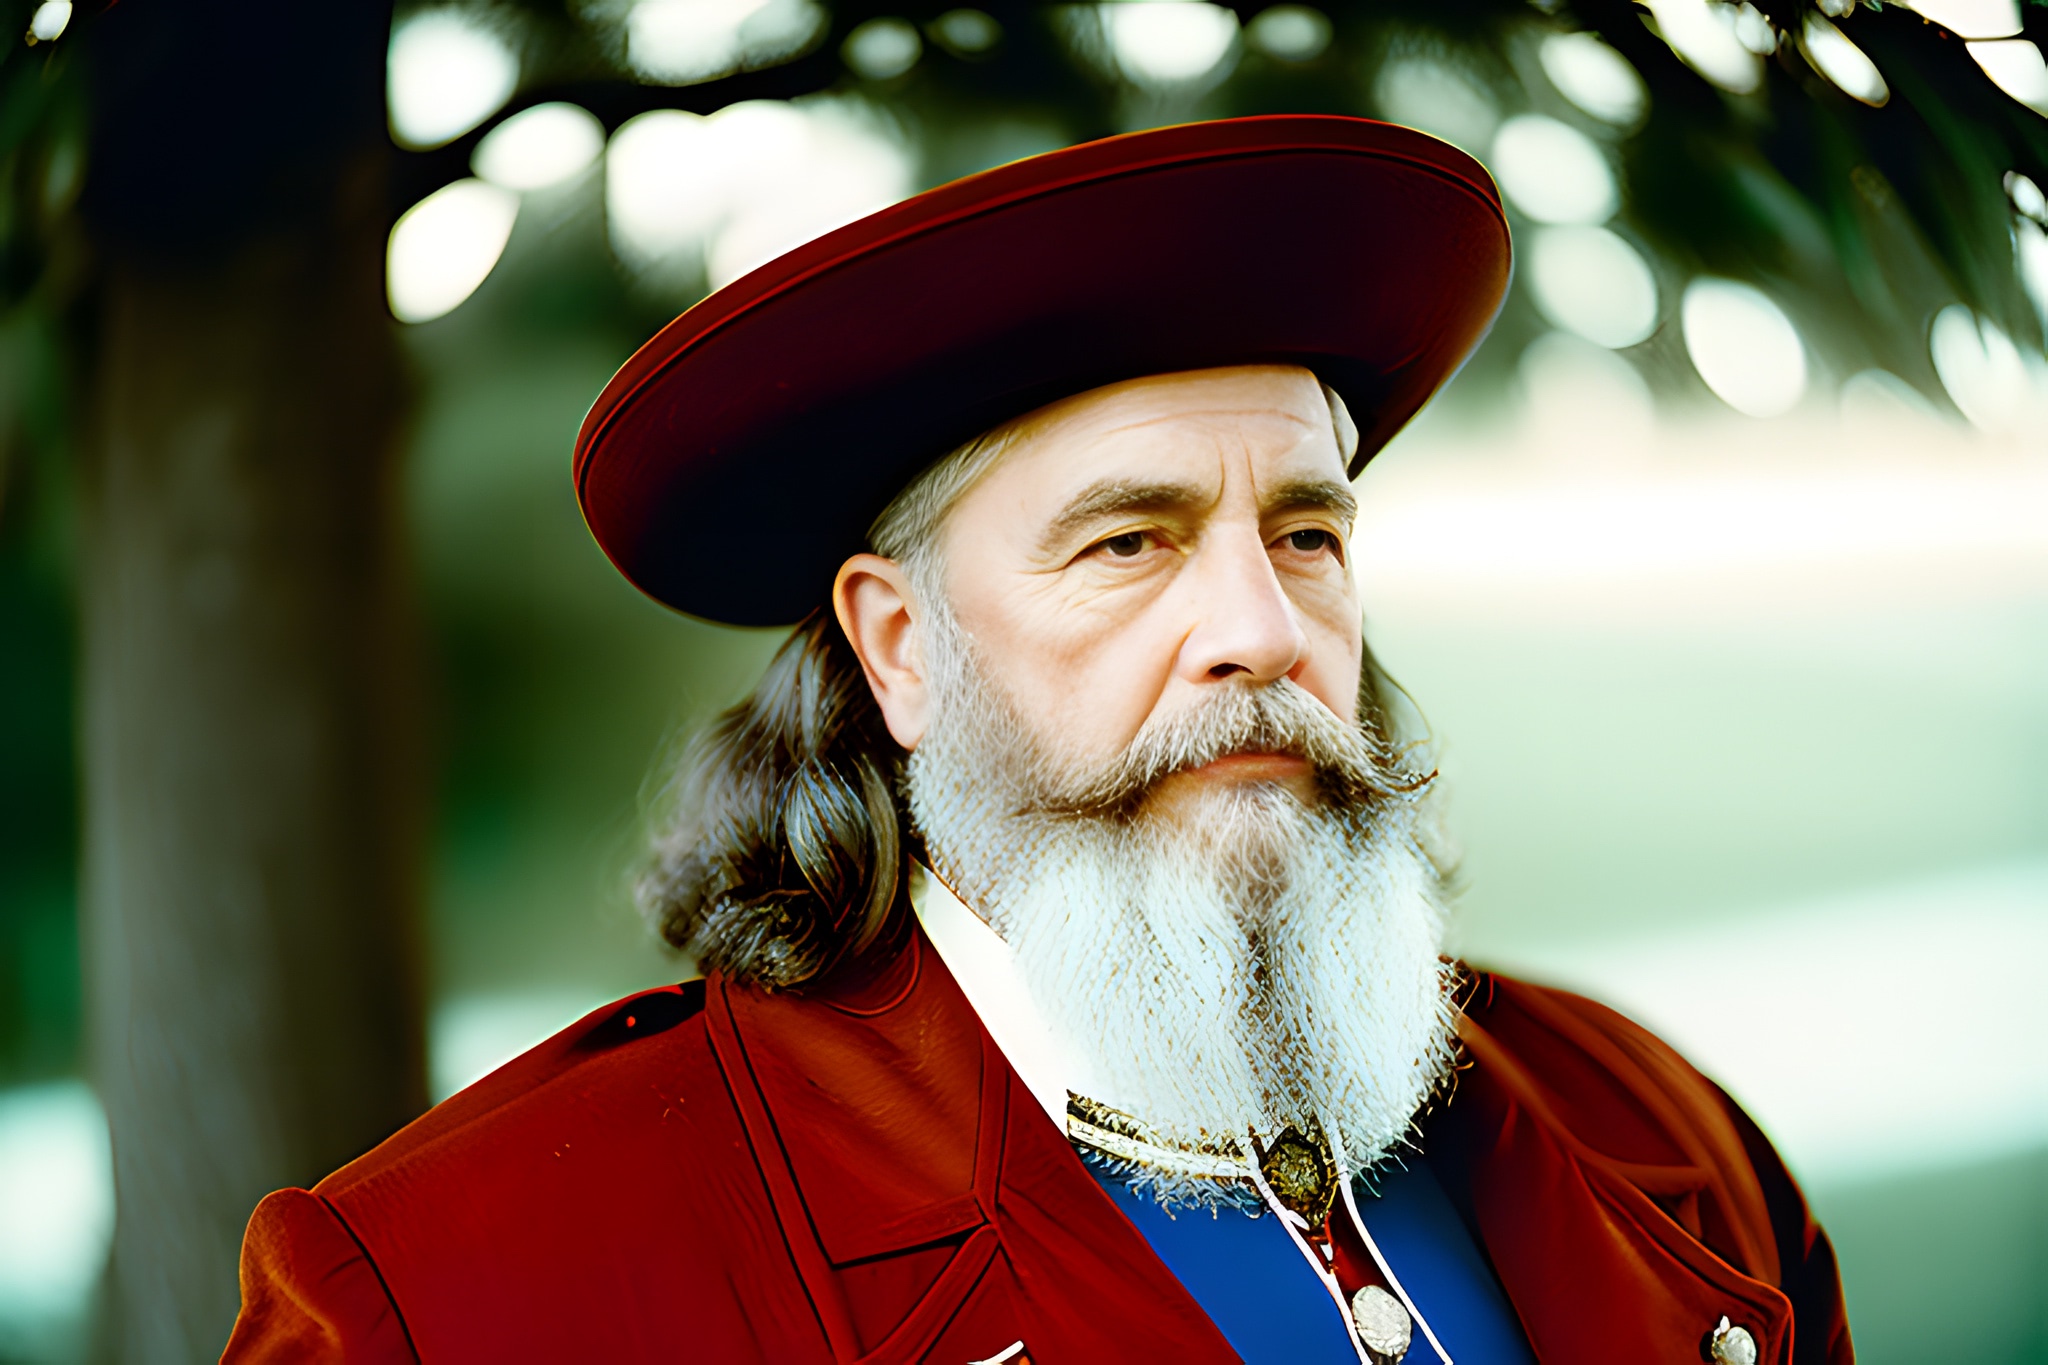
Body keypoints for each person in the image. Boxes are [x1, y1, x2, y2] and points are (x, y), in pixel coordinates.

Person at [223, 116, 1851, 1364]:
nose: (1264, 629)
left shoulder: (1667, 1135)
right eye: (1129, 542)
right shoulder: (448, 1299)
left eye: (1306, 533)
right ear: (901, 647)